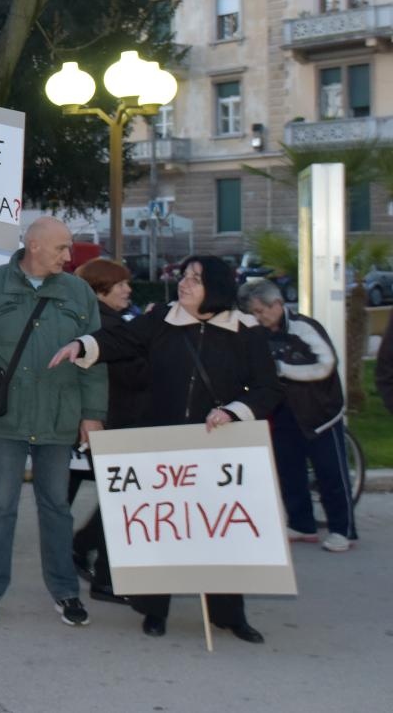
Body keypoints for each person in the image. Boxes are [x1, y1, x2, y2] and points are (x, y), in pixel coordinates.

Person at [51, 255, 282, 641]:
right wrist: (82, 344)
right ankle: (154, 610)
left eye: (196, 279)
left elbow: (269, 389)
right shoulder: (162, 321)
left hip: (217, 448)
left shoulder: (247, 333)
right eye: (184, 276)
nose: (185, 284)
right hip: (162, 441)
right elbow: (119, 339)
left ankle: (229, 614)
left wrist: (233, 411)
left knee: (217, 532)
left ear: (218, 288)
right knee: (164, 531)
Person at [0, 216, 104, 628]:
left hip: (58, 418)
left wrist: (92, 415)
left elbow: (94, 357)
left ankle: (66, 591)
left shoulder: (78, 292)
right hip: (7, 419)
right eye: (62, 248)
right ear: (34, 246)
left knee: (56, 507)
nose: (69, 257)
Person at [238, 278, 357, 551]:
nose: (258, 317)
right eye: (254, 312)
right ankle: (302, 524)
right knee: (290, 472)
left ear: (277, 304)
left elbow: (326, 365)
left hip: (320, 414)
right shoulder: (259, 334)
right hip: (283, 413)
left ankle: (344, 530)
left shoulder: (304, 328)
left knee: (331, 474)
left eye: (261, 310)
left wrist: (282, 368)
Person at [67, 257, 149, 605]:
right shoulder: (108, 327)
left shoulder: (109, 321)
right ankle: (103, 575)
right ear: (101, 289)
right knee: (121, 501)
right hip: (111, 424)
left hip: (110, 424)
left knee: (117, 499)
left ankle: (82, 548)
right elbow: (129, 376)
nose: (128, 289)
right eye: (121, 284)